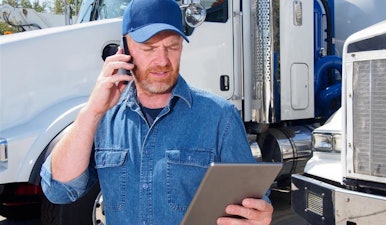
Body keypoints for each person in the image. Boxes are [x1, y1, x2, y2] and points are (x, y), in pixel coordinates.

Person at [40, 0, 274, 224]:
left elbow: (249, 200)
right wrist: (91, 111)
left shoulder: (220, 117)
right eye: (149, 48)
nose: (162, 60)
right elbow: (59, 190)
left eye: (172, 46)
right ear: (125, 50)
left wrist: (260, 213)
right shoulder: (104, 117)